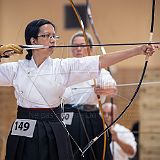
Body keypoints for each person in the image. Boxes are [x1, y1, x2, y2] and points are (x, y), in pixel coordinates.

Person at [0, 18, 156, 160]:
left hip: (53, 127)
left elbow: (101, 61)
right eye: (47, 36)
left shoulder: (63, 66)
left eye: (54, 36)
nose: (52, 40)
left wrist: (137, 50)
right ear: (33, 41)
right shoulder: (16, 68)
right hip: (24, 125)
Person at [63, 31, 117, 160]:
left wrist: (104, 89)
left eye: (83, 45)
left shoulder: (99, 71)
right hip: (66, 117)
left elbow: (112, 88)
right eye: (74, 46)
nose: (78, 49)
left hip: (91, 118)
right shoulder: (63, 69)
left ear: (91, 49)